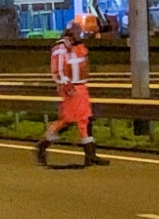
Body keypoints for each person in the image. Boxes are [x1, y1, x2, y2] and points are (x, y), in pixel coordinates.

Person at [36, 20, 109, 167]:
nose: (79, 35)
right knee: (69, 120)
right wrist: (65, 84)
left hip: (81, 87)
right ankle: (44, 144)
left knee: (84, 120)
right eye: (77, 32)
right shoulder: (61, 47)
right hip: (71, 89)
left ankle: (90, 155)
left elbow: (82, 64)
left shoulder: (78, 47)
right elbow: (57, 68)